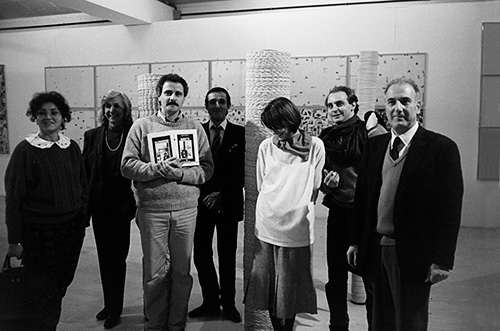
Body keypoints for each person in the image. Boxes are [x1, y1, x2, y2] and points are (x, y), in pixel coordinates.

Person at [347, 77, 464, 331]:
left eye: (405, 101)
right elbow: (363, 199)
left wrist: (442, 259)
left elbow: (450, 211)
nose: (397, 108)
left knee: (409, 323)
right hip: (375, 251)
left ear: (417, 106)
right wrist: (356, 240)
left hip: (413, 255)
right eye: (391, 102)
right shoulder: (375, 146)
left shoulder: (441, 148)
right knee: (379, 323)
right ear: (385, 108)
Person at [121, 73, 214, 331]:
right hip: (152, 211)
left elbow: (207, 169)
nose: (172, 98)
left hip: (186, 211)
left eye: (178, 94)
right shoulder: (142, 126)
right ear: (159, 96)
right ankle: (155, 325)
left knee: (182, 273)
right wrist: (155, 169)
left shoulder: (194, 128)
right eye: (168, 93)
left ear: (184, 98)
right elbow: (127, 166)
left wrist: (180, 174)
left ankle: (176, 325)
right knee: (154, 274)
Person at [4, 91, 87, 331]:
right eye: (42, 113)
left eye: (54, 113)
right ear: (34, 117)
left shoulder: (71, 147)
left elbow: (82, 185)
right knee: (42, 287)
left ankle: (50, 323)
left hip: (70, 230)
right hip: (39, 232)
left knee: (61, 284)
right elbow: (14, 199)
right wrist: (15, 240)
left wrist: (81, 218)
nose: (48, 117)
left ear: (63, 117)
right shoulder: (25, 151)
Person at [244, 97, 325, 331]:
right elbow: (262, 184)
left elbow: (316, 184)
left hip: (298, 228)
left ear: (292, 119)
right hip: (267, 225)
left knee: (290, 290)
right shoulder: (266, 147)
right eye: (273, 126)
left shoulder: (315, 146)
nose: (277, 131)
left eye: (280, 124)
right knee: (267, 287)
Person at [319, 86, 378, 331]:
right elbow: (319, 178)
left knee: (371, 278)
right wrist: (326, 185)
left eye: (340, 104)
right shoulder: (325, 139)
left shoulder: (368, 133)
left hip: (365, 216)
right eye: (330, 105)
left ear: (353, 105)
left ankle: (376, 326)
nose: (335, 109)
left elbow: (378, 174)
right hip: (338, 213)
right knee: (336, 278)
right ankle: (338, 325)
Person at [188, 87, 245, 323]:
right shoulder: (196, 133)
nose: (218, 105)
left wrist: (222, 193)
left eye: (222, 101)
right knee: (201, 255)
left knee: (227, 256)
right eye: (213, 102)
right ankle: (211, 301)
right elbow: (190, 167)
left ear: (229, 106)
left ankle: (229, 304)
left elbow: (244, 171)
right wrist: (206, 195)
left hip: (228, 204)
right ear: (206, 106)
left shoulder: (240, 134)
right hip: (201, 204)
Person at [82, 90, 136, 329]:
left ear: (125, 111)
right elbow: (85, 173)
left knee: (118, 258)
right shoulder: (92, 135)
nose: (111, 111)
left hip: (122, 206)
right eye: (107, 107)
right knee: (104, 258)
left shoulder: (133, 135)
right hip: (99, 206)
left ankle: (117, 308)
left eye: (117, 107)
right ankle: (109, 304)